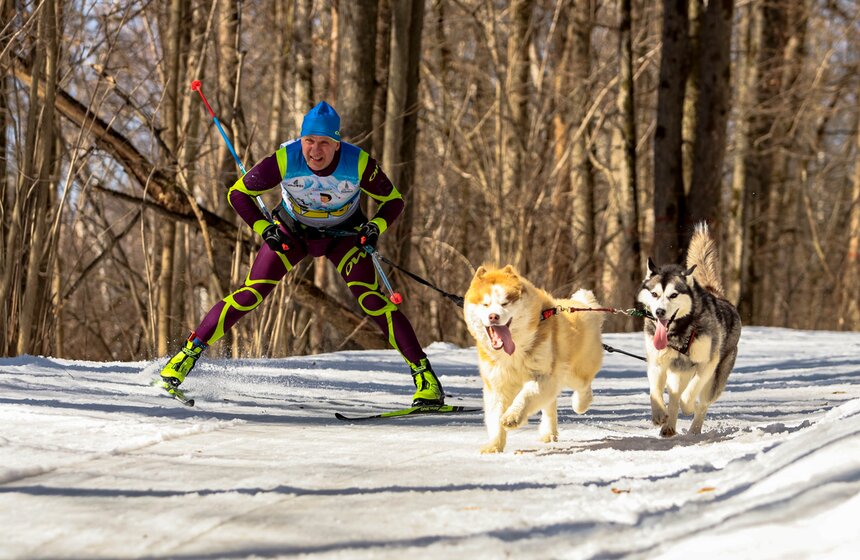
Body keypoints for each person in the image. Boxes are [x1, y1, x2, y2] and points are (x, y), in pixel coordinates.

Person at [159, 101, 444, 406]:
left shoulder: (358, 162)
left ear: (337, 144)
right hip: (292, 233)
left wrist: (374, 227)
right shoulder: (285, 158)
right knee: (252, 293)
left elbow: (394, 201)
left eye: (324, 143)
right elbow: (238, 194)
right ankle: (185, 358)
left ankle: (425, 377)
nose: (315, 151)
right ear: (301, 140)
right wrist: (263, 228)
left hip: (344, 237)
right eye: (309, 141)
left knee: (372, 301)